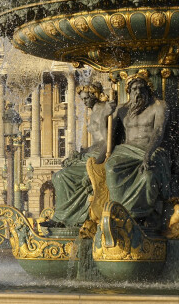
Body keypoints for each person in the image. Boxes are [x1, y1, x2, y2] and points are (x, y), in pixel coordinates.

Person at [41, 82, 115, 228]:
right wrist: (80, 154)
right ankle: (65, 216)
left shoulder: (105, 110)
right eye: (82, 99)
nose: (84, 101)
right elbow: (96, 142)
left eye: (87, 98)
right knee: (57, 175)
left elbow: (108, 141)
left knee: (62, 176)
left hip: (99, 157)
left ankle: (63, 218)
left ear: (95, 95)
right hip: (90, 155)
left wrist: (95, 165)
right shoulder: (94, 111)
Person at [105, 75, 171, 223]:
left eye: (142, 88)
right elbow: (105, 133)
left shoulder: (160, 106)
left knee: (148, 176)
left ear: (148, 89)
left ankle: (143, 215)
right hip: (127, 151)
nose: (138, 92)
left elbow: (159, 131)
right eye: (134, 89)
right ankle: (118, 212)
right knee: (111, 168)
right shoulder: (122, 109)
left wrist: (148, 154)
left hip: (151, 149)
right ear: (129, 91)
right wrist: (106, 113)